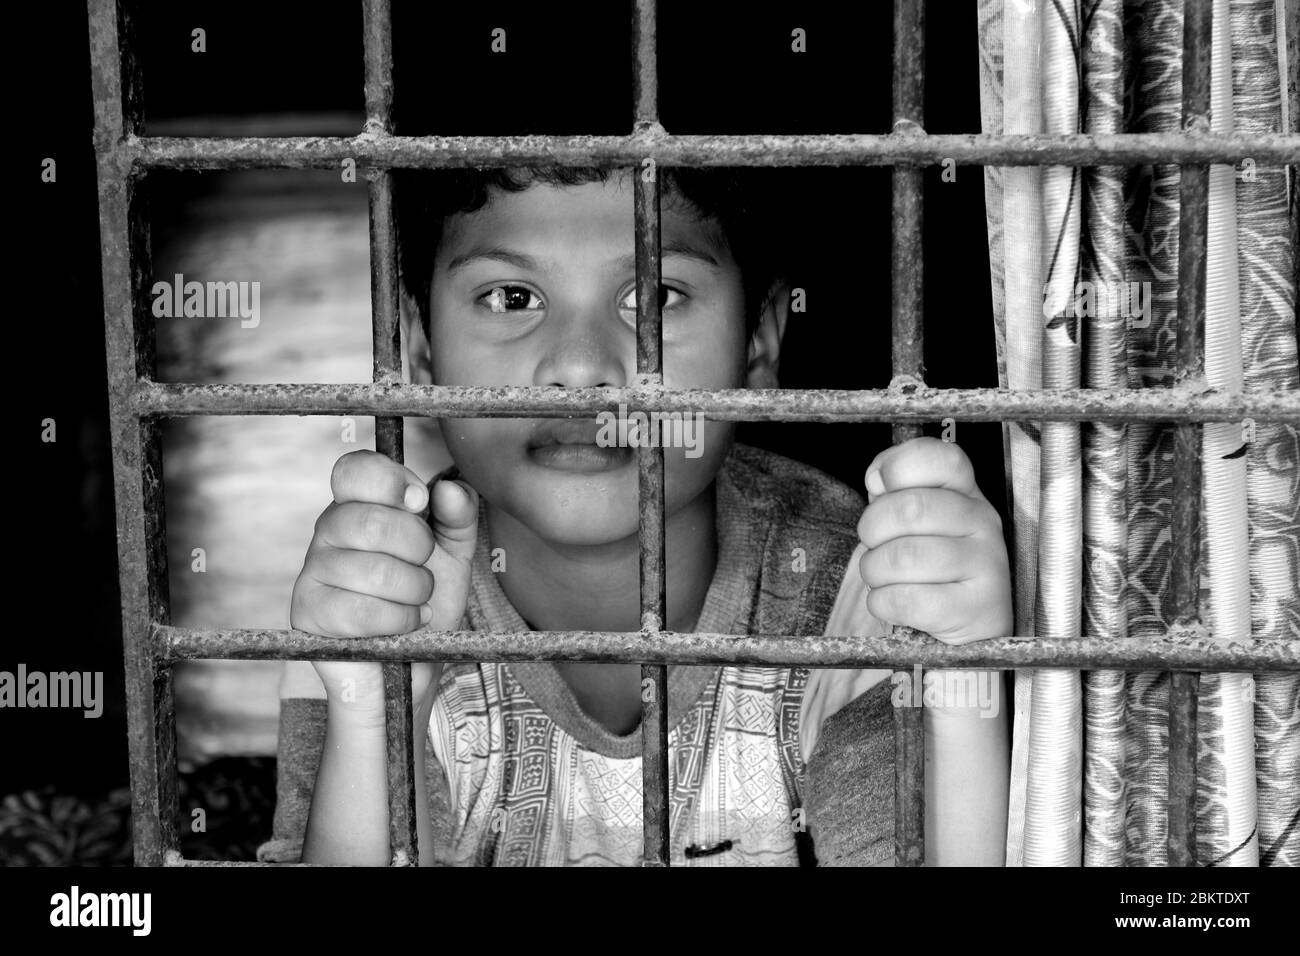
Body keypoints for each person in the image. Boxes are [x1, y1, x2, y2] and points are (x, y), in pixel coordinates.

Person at [258, 166, 1012, 867]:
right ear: (418, 346)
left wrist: (963, 695)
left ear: (760, 339)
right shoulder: (378, 596)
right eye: (512, 298)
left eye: (653, 297)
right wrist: (374, 716)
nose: (581, 365)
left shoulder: (861, 588)